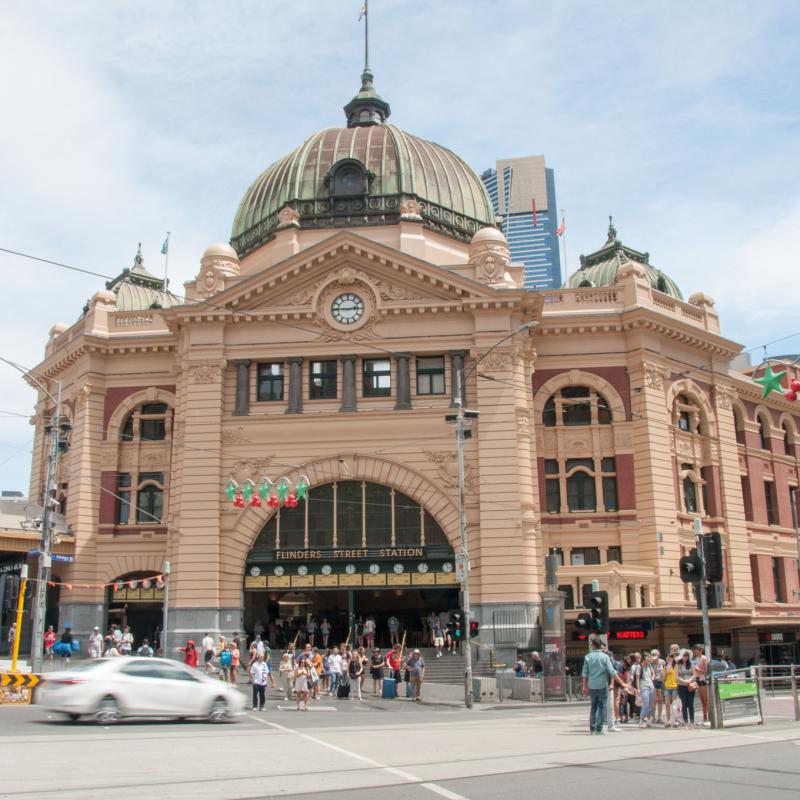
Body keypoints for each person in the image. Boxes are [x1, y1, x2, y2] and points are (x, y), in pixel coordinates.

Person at [581, 638, 615, 734]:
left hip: (591, 685)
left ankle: (592, 729)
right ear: (600, 645)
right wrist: (612, 683)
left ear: (593, 645)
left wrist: (584, 686)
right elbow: (611, 671)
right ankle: (598, 729)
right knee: (601, 707)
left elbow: (584, 673)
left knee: (593, 706)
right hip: (602, 685)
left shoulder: (587, 657)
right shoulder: (605, 657)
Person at [677, 649, 697, 729]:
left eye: (687, 655)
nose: (686, 657)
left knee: (691, 704)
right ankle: (685, 722)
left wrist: (689, 681)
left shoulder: (692, 664)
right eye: (684, 655)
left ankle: (692, 721)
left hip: (690, 685)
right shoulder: (678, 665)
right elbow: (676, 676)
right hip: (681, 685)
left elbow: (694, 674)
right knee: (684, 704)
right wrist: (683, 681)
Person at [692, 644, 711, 726]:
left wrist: (698, 670)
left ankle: (710, 716)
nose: (695, 651)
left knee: (706, 699)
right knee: (702, 700)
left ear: (700, 650)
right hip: (698, 679)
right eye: (695, 649)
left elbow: (707, 670)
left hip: (703, 679)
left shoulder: (704, 658)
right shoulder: (695, 659)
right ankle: (704, 716)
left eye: (697, 649)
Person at [638, 652, 655, 728]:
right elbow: (637, 678)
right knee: (646, 705)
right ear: (644, 659)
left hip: (651, 687)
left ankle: (648, 721)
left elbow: (653, 673)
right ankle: (641, 721)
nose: (649, 659)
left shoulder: (649, 665)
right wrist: (638, 688)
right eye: (648, 658)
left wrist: (653, 677)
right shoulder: (639, 666)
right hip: (644, 687)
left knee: (650, 705)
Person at [663, 654, 680, 727]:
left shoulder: (676, 666)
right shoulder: (665, 667)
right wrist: (667, 671)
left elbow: (677, 676)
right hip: (667, 687)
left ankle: (675, 720)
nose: (669, 659)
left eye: (670, 658)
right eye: (668, 658)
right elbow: (663, 678)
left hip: (674, 687)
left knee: (674, 705)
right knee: (667, 705)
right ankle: (668, 720)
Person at [650, 649, 665, 724]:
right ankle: (653, 717)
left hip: (660, 681)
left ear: (659, 655)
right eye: (653, 656)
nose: (655, 658)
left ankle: (659, 717)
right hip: (653, 682)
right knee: (654, 700)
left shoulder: (662, 662)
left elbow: (664, 671)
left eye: (656, 656)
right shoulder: (650, 663)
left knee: (660, 700)